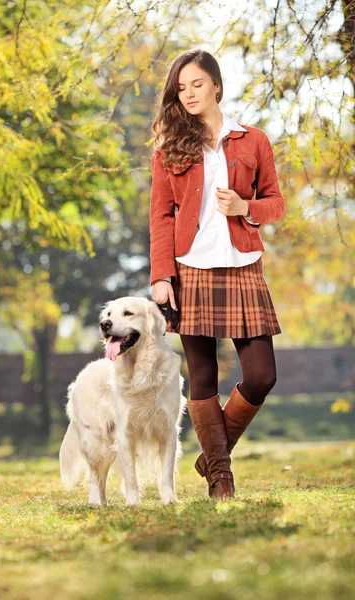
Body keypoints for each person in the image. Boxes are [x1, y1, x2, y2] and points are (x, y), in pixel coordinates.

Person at [148, 49, 285, 501]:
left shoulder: (254, 140)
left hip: (244, 266)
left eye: (197, 85)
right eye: (181, 87)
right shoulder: (169, 148)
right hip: (190, 269)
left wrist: (246, 208)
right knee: (202, 375)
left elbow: (275, 204)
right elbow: (161, 217)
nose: (188, 94)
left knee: (262, 375)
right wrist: (161, 276)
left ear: (217, 86)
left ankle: (212, 455)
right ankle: (221, 479)